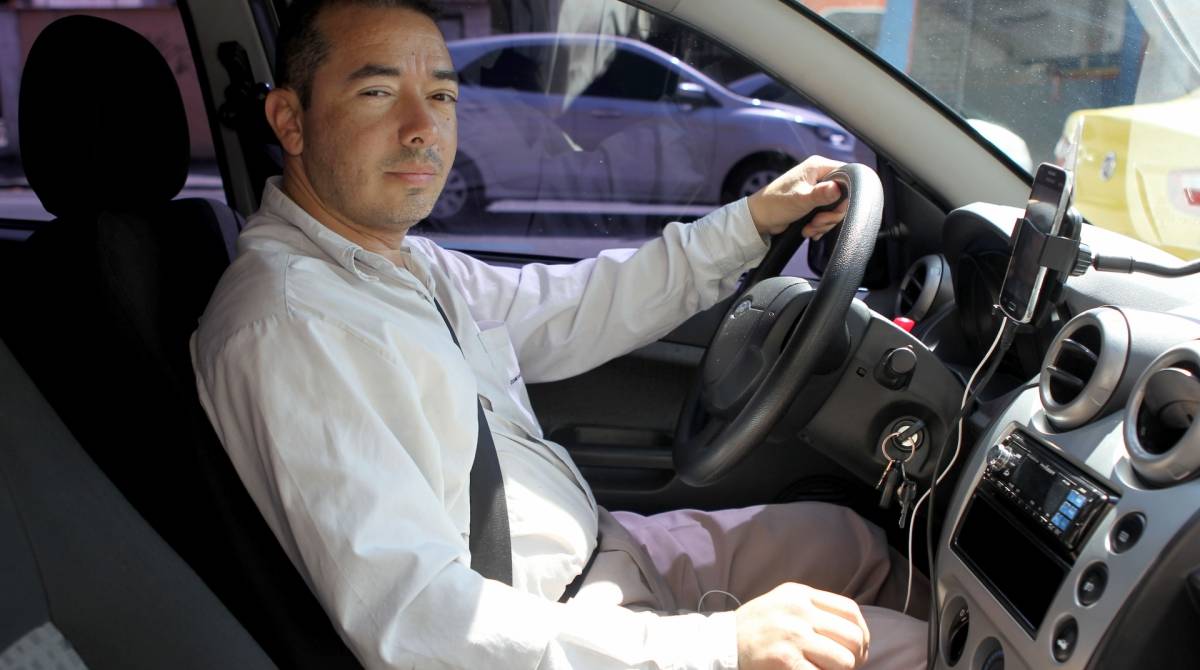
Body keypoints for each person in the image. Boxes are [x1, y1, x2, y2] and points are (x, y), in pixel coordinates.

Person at [191, 0, 928, 668]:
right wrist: (719, 646)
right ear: (290, 120)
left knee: (853, 542)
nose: (423, 127)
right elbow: (421, 621)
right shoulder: (292, 327)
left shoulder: (393, 263)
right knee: (913, 653)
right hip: (554, 633)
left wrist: (752, 222)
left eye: (442, 95)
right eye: (378, 92)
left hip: (607, 556)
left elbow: (569, 306)